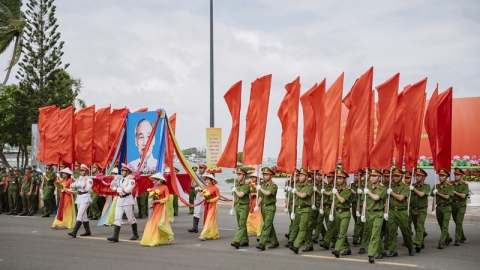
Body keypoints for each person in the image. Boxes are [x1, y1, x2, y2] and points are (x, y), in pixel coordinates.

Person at [384, 167, 415, 258]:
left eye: (398, 176)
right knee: (391, 232)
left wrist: (392, 193)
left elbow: (401, 198)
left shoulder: (405, 187)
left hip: (402, 212)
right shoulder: (390, 187)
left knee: (406, 232)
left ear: (401, 177)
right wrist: (386, 212)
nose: (395, 178)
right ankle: (393, 250)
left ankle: (410, 247)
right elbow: (387, 200)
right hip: (392, 211)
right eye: (394, 176)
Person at [107, 164, 140, 242]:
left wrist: (117, 189)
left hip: (127, 200)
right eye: (121, 170)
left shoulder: (131, 180)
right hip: (120, 199)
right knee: (117, 217)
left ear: (127, 171)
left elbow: (127, 190)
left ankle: (135, 234)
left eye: (123, 171)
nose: (121, 172)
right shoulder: (120, 179)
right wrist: (114, 181)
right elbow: (112, 186)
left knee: (131, 218)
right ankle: (115, 236)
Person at [140, 172, 174, 246]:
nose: (154, 181)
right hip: (155, 207)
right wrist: (151, 202)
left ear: (160, 180)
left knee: (160, 224)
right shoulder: (153, 188)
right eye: (154, 180)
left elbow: (167, 198)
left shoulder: (165, 187)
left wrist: (158, 201)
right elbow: (151, 198)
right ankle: (154, 239)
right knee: (152, 223)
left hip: (162, 207)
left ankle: (170, 234)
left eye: (156, 179)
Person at [364, 168, 387, 264]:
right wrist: (362, 214)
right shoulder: (368, 187)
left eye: (375, 176)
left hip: (378, 213)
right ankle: (381, 251)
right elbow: (365, 201)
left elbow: (376, 198)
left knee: (375, 234)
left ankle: (371, 254)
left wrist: (368, 192)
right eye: (371, 176)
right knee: (371, 234)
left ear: (379, 177)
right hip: (369, 213)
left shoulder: (382, 188)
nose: (372, 178)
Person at [290, 168, 314, 254]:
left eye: (302, 176)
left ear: (307, 177)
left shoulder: (309, 186)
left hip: (306, 209)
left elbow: (303, 195)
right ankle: (310, 244)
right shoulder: (298, 186)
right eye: (299, 175)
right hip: (298, 209)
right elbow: (295, 199)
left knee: (302, 228)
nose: (300, 177)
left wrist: (295, 191)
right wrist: (293, 210)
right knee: (305, 228)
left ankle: (296, 246)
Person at [256, 166, 279, 251]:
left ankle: (262, 243)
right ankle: (274, 241)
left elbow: (268, 193)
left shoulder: (273, 186)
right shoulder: (262, 185)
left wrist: (260, 188)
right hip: (264, 207)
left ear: (271, 176)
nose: (264, 176)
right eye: (264, 175)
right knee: (269, 225)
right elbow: (261, 196)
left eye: (266, 175)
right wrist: (257, 205)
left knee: (267, 225)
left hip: (270, 207)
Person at [431, 168, 454, 249]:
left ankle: (441, 242)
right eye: (440, 176)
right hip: (439, 208)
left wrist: (437, 193)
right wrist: (433, 209)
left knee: (445, 225)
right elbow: (434, 198)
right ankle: (448, 238)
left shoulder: (450, 186)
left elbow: (447, 197)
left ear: (446, 177)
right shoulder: (436, 186)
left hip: (447, 207)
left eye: (443, 176)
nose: (441, 177)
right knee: (441, 225)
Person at [331, 169, 352, 258]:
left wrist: (336, 193)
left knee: (342, 233)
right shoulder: (337, 189)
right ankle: (347, 248)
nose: (338, 180)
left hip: (345, 213)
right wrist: (331, 213)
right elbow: (334, 202)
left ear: (345, 179)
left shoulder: (348, 190)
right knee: (340, 232)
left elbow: (342, 200)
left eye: (340, 178)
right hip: (337, 212)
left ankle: (337, 249)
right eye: (338, 178)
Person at [68, 164, 93, 238]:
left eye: (82, 170)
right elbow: (72, 185)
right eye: (80, 170)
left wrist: (79, 184)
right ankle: (87, 231)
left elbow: (87, 188)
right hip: (79, 197)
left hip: (85, 198)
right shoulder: (80, 179)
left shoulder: (89, 179)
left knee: (80, 215)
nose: (81, 172)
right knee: (84, 216)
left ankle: (74, 232)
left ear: (86, 171)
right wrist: (78, 183)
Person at [410, 168, 430, 252]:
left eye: (419, 176)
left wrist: (413, 189)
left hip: (422, 209)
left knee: (420, 225)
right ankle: (423, 235)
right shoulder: (413, 185)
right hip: (413, 209)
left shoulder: (426, 186)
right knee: (416, 226)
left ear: (423, 177)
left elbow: (421, 194)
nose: (417, 177)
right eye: (416, 176)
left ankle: (417, 243)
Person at [231, 167, 251, 249]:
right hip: (238, 206)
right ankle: (245, 240)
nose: (238, 176)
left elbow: (241, 195)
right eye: (237, 175)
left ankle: (236, 241)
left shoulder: (246, 186)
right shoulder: (237, 185)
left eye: (240, 175)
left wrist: (235, 190)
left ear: (244, 176)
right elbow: (235, 198)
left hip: (244, 206)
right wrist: (232, 208)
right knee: (240, 224)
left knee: (241, 225)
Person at [449, 167, 469, 246]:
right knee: (456, 222)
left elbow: (463, 196)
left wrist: (454, 192)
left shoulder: (464, 184)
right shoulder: (451, 184)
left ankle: (457, 239)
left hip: (461, 205)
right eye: (455, 174)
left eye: (458, 175)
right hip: (453, 205)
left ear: (461, 176)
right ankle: (462, 236)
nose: (456, 176)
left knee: (459, 221)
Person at [199, 173, 220, 241]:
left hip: (213, 205)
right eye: (206, 179)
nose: (207, 180)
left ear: (212, 180)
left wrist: (210, 200)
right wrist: (204, 198)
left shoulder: (215, 188)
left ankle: (203, 235)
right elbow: (204, 195)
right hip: (207, 205)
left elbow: (218, 197)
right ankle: (214, 233)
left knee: (209, 219)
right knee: (208, 219)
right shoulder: (205, 188)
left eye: (208, 179)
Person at [319, 171, 336, 250]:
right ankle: (335, 241)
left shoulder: (336, 186)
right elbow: (323, 196)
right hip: (325, 207)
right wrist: (321, 207)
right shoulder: (326, 185)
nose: (328, 178)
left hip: (332, 208)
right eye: (327, 177)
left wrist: (324, 192)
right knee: (330, 226)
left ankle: (326, 242)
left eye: (330, 177)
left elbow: (331, 193)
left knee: (330, 226)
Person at [188, 163, 207, 233]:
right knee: (196, 211)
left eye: (202, 168)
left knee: (206, 211)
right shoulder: (197, 176)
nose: (200, 169)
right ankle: (195, 227)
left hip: (206, 195)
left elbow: (209, 186)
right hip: (199, 195)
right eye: (200, 168)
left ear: (205, 169)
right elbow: (193, 184)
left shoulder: (208, 176)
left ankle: (207, 227)